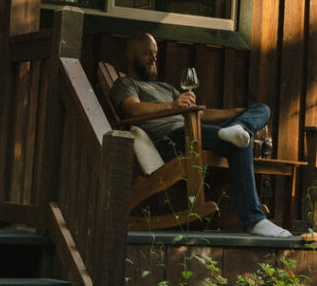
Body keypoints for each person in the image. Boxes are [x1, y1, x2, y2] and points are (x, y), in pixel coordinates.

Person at [112, 32, 291, 238]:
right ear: (131, 55)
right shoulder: (125, 84)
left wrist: (235, 113)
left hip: (194, 132)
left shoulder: (165, 87)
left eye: (155, 54)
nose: (153, 59)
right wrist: (172, 105)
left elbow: (201, 114)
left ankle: (240, 127)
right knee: (239, 143)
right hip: (173, 140)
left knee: (262, 109)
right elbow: (132, 109)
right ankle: (254, 219)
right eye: (146, 54)